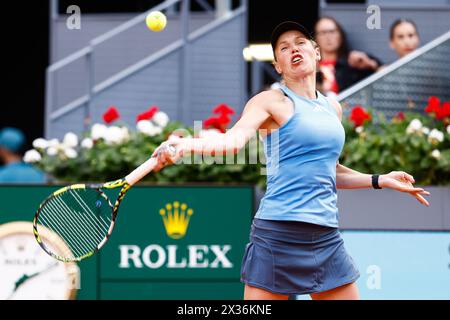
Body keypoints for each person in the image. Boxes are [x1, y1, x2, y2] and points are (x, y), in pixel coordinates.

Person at [152, 21, 430, 300]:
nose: (294, 49)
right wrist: (185, 143)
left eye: (300, 42)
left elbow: (328, 171)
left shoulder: (332, 107)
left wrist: (380, 180)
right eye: (284, 48)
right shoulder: (269, 102)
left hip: (325, 235)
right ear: (278, 65)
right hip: (277, 235)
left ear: (316, 51)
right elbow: (232, 142)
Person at [314, 16, 382, 95]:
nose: (328, 37)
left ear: (340, 35)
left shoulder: (353, 61)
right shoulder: (311, 65)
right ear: (316, 38)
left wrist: (370, 64)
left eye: (332, 31)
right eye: (323, 32)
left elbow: (386, 73)